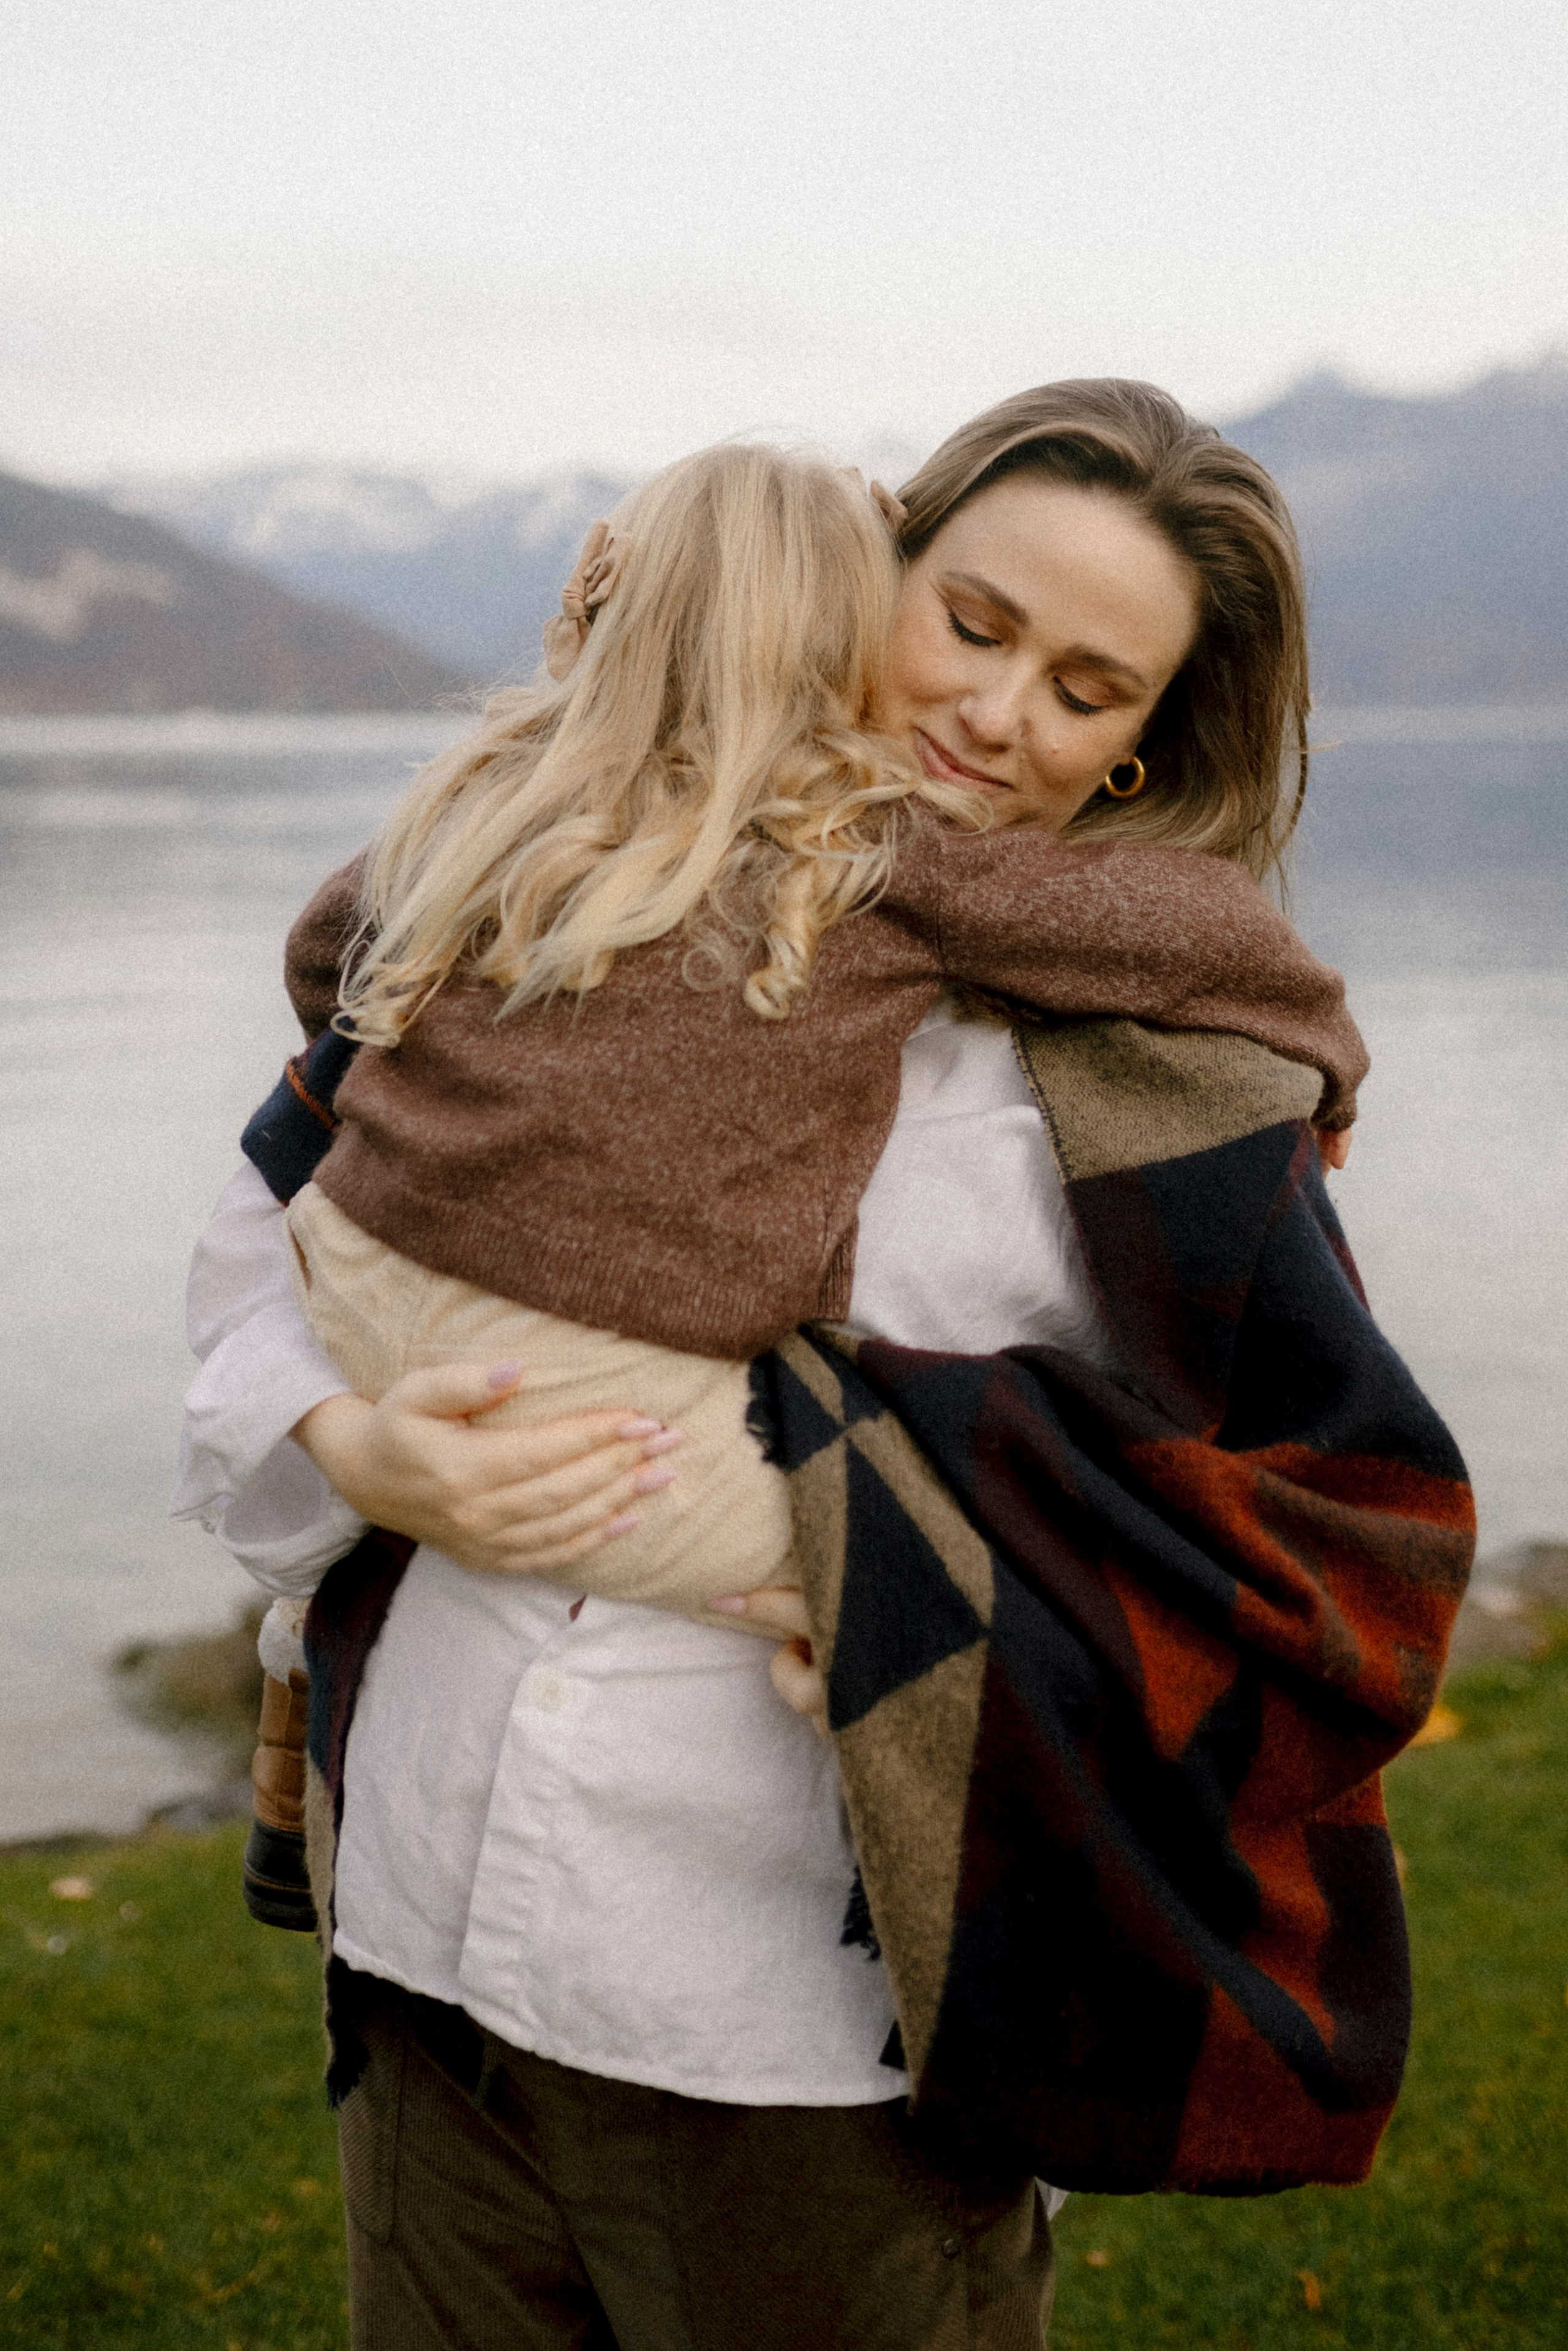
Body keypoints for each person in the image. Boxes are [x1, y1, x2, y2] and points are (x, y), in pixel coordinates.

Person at [175, 381, 1469, 2351]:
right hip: (429, 1944)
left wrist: (947, 1589)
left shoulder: (1158, 1083)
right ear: (870, 573)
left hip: (801, 2037)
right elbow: (268, 1235)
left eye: (1087, 690)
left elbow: (1350, 1552)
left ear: (1139, 746)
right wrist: (347, 1445)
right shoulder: (556, 889)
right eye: (972, 622)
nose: (999, 714)